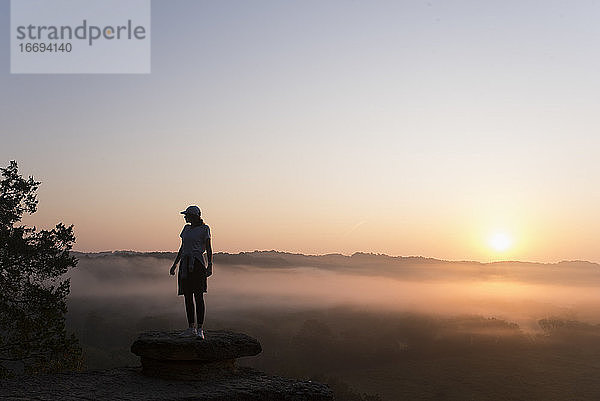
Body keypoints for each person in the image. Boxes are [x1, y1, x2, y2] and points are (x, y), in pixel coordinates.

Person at [170, 205, 212, 338]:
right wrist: (175, 264)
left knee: (198, 296)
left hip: (197, 264)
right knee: (188, 296)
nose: (185, 217)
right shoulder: (186, 229)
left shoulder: (204, 229)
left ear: (193, 216)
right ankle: (190, 327)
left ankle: (200, 329)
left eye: (186, 215)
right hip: (185, 264)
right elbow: (183, 248)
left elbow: (209, 248)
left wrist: (209, 265)